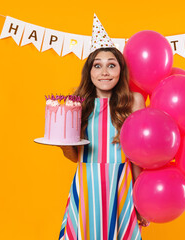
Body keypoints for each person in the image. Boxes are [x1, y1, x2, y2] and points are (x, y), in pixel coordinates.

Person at [58, 46, 149, 240]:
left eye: (111, 65)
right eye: (97, 66)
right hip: (87, 183)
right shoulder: (77, 104)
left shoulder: (134, 101)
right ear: (89, 71)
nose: (104, 72)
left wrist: (141, 201)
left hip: (121, 183)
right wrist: (63, 143)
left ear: (121, 71)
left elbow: (138, 157)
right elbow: (75, 157)